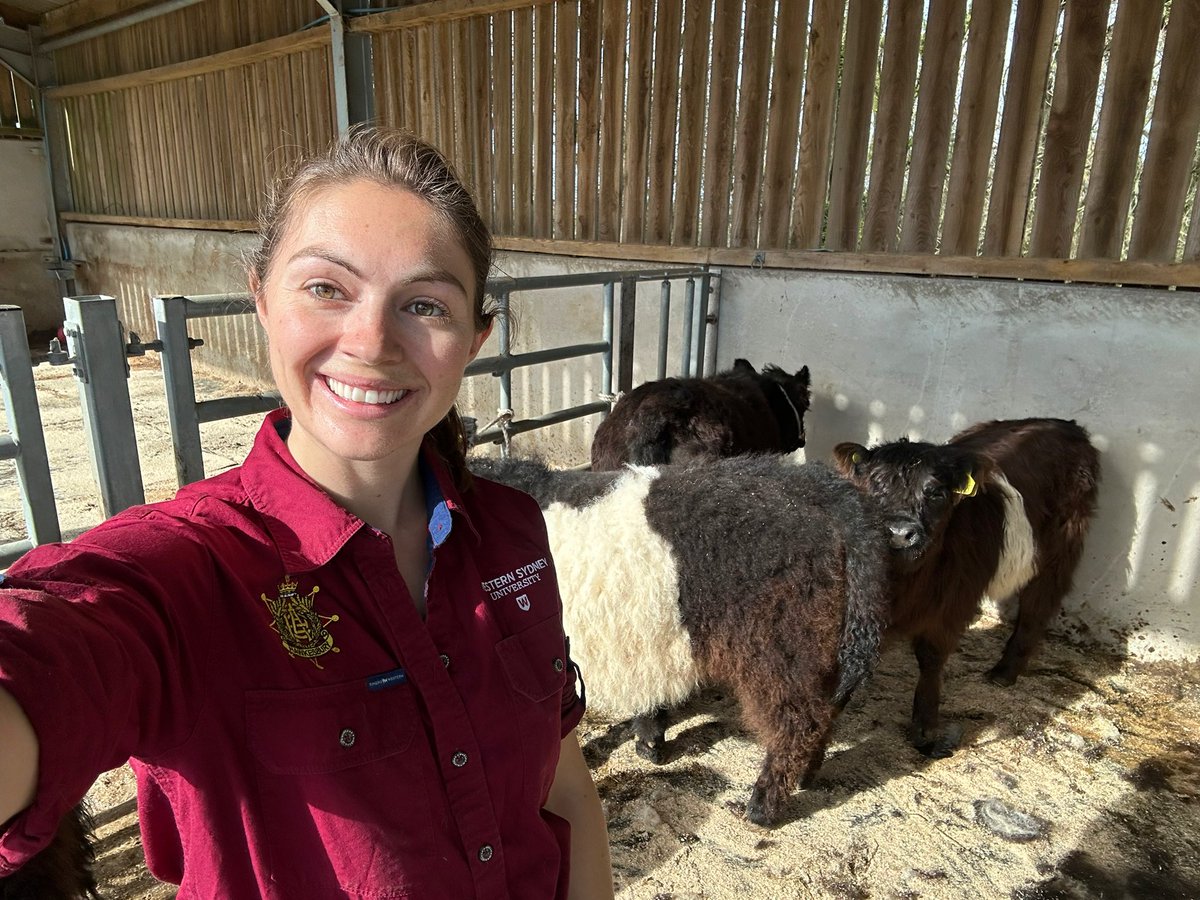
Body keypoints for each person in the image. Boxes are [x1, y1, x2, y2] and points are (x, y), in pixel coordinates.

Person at [0, 126, 614, 899]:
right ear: (261, 298)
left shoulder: (511, 534)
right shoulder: (191, 573)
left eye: (424, 304)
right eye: (327, 288)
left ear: (475, 339)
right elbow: (54, 644)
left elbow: (562, 789)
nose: (371, 342)